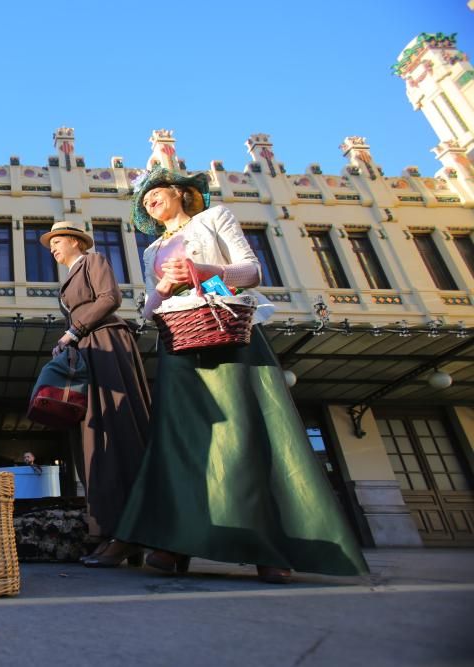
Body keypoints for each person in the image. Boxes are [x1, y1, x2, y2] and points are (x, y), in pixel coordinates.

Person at [115, 167, 369, 583]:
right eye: (144, 201)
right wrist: (162, 287)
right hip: (179, 344)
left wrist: (201, 271)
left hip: (229, 333)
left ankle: (268, 547)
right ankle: (174, 540)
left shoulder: (215, 219)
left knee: (244, 435)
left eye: (155, 193)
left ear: (180, 193)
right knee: (180, 441)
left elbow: (251, 272)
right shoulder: (151, 250)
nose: (150, 202)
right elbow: (147, 311)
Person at [42, 221, 152, 567]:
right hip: (88, 347)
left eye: (57, 241)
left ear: (76, 241)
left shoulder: (94, 261)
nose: (53, 249)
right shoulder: (71, 274)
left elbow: (110, 298)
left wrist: (72, 331)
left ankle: (128, 532)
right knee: (94, 434)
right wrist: (69, 339)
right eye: (51, 245)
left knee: (115, 429)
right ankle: (109, 531)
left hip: (105, 342)